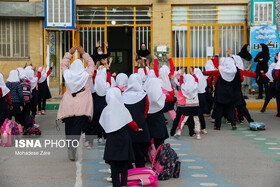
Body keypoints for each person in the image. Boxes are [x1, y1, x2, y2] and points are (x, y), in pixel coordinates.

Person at [57, 46, 95, 161]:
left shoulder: (67, 74)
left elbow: (63, 65)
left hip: (68, 105)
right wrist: (83, 53)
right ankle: (72, 148)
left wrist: (69, 53)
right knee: (77, 128)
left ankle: (70, 147)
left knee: (69, 127)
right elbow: (91, 64)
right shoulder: (86, 75)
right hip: (82, 106)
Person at [100, 87, 138, 187]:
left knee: (114, 167)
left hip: (112, 140)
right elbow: (133, 125)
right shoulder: (123, 109)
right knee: (124, 166)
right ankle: (124, 184)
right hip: (124, 140)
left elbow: (103, 125)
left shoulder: (106, 110)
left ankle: (116, 185)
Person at [122, 74, 151, 168]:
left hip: (127, 126)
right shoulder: (144, 95)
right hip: (141, 125)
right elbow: (146, 111)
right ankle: (140, 172)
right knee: (140, 153)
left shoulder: (123, 96)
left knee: (127, 152)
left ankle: (129, 174)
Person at [174, 69, 202, 140]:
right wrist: (192, 73)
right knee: (196, 119)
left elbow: (180, 82)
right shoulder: (195, 85)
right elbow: (196, 80)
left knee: (183, 118)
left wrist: (181, 75)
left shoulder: (184, 87)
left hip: (188, 104)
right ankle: (198, 134)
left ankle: (179, 131)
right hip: (195, 103)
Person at [145, 78, 169, 149]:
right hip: (159, 121)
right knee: (159, 142)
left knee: (148, 140)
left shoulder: (144, 94)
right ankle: (159, 157)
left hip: (148, 120)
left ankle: (149, 157)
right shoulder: (160, 95)